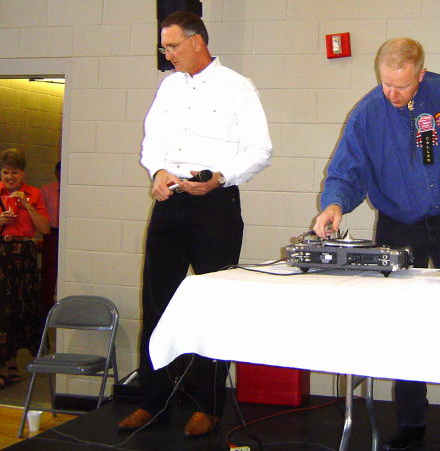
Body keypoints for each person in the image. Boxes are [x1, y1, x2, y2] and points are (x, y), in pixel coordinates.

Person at [312, 38, 440, 451]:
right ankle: (412, 422)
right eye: (385, 84)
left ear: (421, 74)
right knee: (403, 323)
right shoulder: (367, 113)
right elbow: (346, 171)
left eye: (401, 86)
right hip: (398, 224)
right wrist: (334, 205)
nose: (392, 94)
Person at [117, 11, 272, 437]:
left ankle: (208, 405)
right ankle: (153, 401)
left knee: (212, 305)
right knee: (156, 302)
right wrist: (157, 172)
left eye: (172, 46)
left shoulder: (238, 87)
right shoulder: (168, 87)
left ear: (197, 41)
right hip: (170, 201)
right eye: (164, 47)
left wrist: (220, 177)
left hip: (215, 204)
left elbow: (260, 150)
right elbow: (152, 142)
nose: (167, 55)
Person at [0, 148, 50, 391]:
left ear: (23, 173)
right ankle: (4, 368)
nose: (10, 177)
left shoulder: (34, 194)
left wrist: (27, 205)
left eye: (15, 172)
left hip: (23, 257)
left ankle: (12, 366)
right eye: (6, 172)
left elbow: (45, 228)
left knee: (20, 310)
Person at [41, 161, 61, 312]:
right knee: (49, 273)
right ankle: (47, 310)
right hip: (52, 234)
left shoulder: (76, 189)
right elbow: (42, 214)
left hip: (71, 233)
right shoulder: (47, 190)